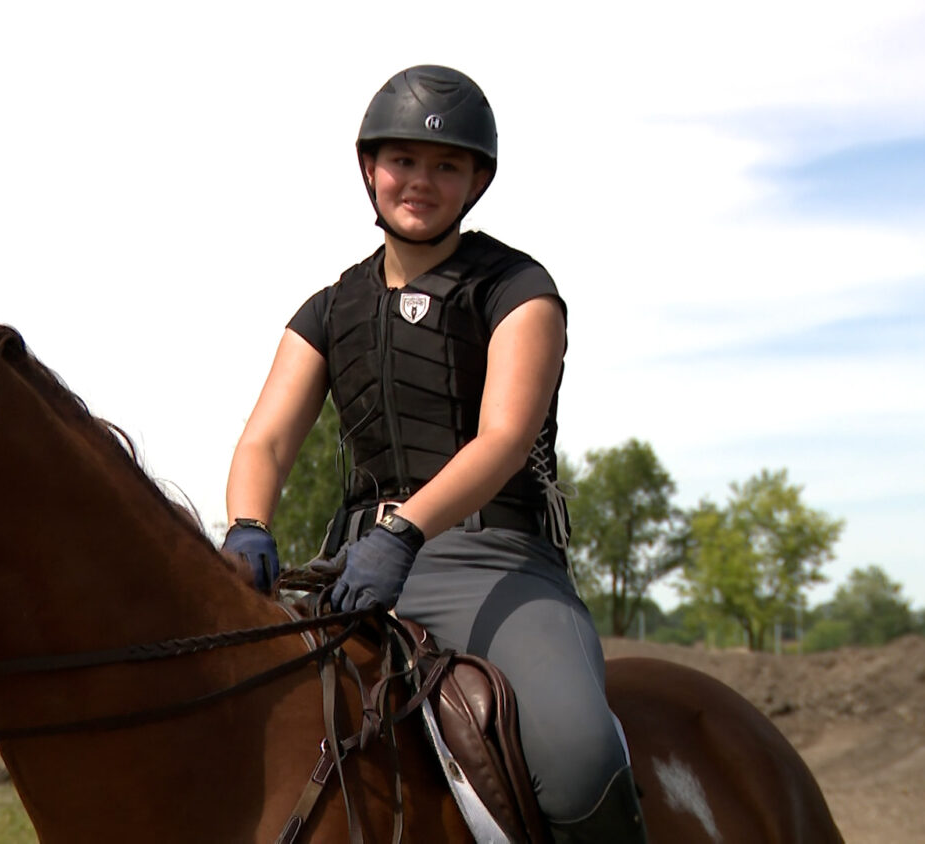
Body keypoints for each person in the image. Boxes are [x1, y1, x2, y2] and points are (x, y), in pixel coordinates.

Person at [221, 65, 647, 843]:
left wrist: (405, 532)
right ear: (369, 169)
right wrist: (248, 523)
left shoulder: (517, 288)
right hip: (350, 573)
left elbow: (506, 438)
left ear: (475, 180)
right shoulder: (329, 307)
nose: (421, 180)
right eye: (404, 161)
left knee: (582, 753)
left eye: (446, 165)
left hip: (490, 561)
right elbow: (268, 438)